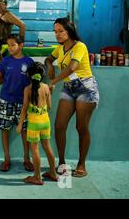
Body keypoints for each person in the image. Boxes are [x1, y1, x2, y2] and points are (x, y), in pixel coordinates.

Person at [45, 18, 99, 178]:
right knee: (59, 126)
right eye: (55, 31)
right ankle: (61, 163)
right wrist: (50, 68)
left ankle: (81, 165)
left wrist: (53, 82)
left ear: (69, 30)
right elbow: (49, 59)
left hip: (85, 89)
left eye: (61, 31)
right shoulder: (60, 48)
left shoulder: (79, 46)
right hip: (69, 88)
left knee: (81, 128)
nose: (57, 34)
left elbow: (72, 67)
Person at [0, 34, 34, 172]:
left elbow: (33, 82)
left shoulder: (29, 62)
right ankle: (6, 158)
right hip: (6, 100)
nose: (10, 48)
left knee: (25, 130)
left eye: (13, 45)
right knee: (5, 129)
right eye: (8, 45)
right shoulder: (5, 61)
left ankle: (27, 158)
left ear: (21, 45)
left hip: (23, 103)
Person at [17, 62, 58, 185]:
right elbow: (49, 107)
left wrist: (19, 125)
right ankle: (53, 173)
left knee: (35, 150)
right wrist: (51, 92)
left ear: (29, 75)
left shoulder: (27, 89)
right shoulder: (46, 87)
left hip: (34, 123)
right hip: (45, 121)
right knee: (47, 147)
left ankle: (37, 177)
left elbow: (24, 108)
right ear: (42, 74)